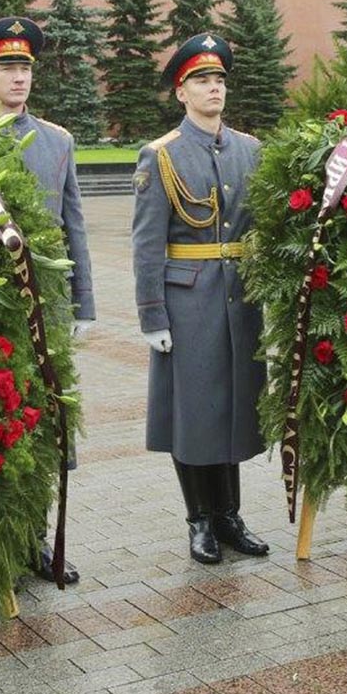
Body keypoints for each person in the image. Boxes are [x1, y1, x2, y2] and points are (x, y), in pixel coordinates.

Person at [0, 16, 96, 584]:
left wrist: (84, 304)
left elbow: (73, 225)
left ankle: (34, 542)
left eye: (24, 68)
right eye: (7, 67)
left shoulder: (56, 140)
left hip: (44, 306)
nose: (19, 77)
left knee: (42, 423)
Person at [131, 32, 270, 565]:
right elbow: (147, 243)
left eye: (219, 80)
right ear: (181, 93)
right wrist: (151, 314)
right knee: (194, 414)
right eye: (201, 81)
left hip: (239, 299)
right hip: (187, 303)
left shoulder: (249, 150)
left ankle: (230, 515)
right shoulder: (160, 155)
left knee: (231, 410)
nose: (214, 89)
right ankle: (199, 521)